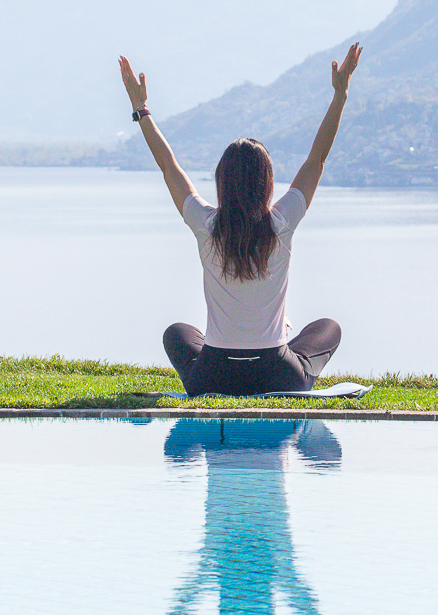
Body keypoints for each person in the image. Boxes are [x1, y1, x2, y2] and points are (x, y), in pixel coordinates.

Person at [118, 43, 361, 397]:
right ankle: (283, 346)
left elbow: (169, 166)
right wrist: (340, 95)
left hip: (213, 376)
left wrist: (141, 109)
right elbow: (317, 159)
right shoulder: (281, 223)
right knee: (329, 327)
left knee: (176, 333)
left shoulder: (206, 225)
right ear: (266, 182)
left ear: (222, 180)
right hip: (277, 374)